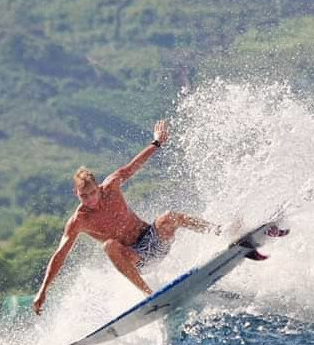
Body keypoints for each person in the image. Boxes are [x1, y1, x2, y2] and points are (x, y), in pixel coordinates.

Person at [31, 120, 217, 315]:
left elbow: (132, 167)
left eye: (92, 193)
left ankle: (220, 231)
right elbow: (60, 254)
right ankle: (150, 296)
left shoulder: (112, 186)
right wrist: (43, 290)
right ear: (75, 194)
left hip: (154, 240)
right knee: (109, 246)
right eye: (84, 196)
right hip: (136, 258)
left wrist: (156, 143)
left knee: (169, 217)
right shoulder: (79, 221)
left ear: (98, 187)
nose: (90, 199)